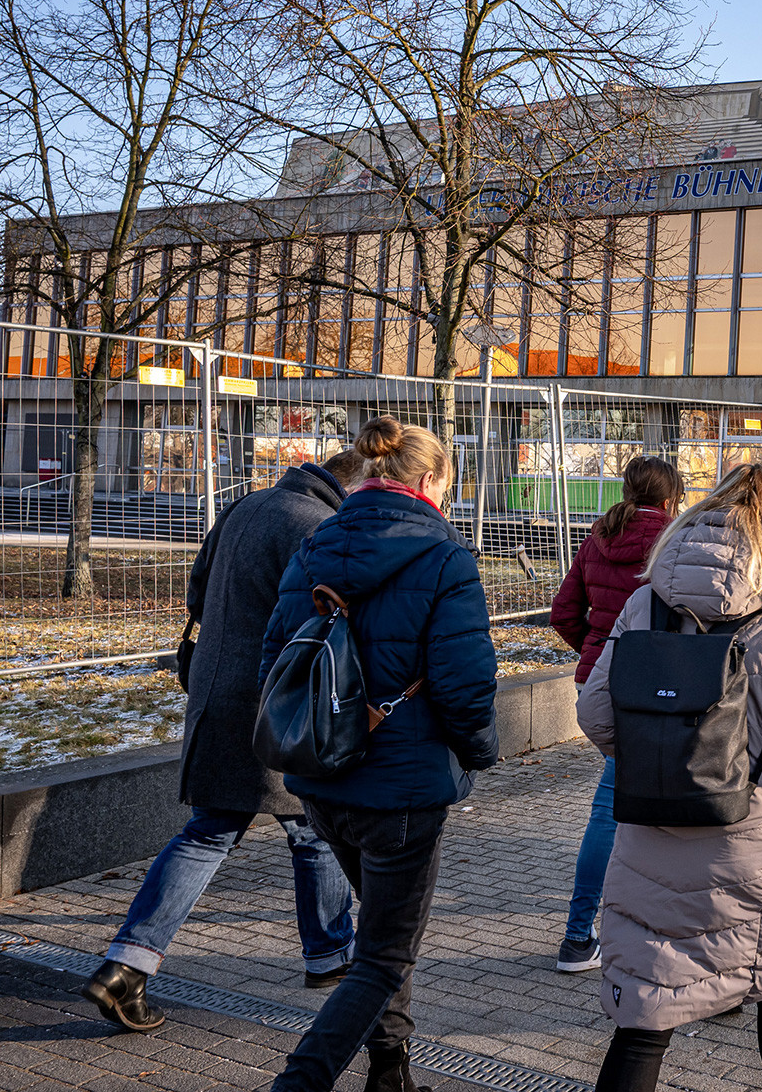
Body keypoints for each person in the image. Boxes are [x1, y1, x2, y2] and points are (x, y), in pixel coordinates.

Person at [575, 463, 762, 1092]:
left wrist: (654, 762)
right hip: (752, 837)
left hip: (649, 832)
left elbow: (594, 712)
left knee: (646, 1011)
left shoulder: (647, 601)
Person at [82, 453, 364, 1034]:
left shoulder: (245, 506)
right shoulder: (319, 525)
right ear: (353, 485)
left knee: (215, 832)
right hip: (278, 700)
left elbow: (197, 593)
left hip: (216, 690)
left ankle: (128, 965)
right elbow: (323, 621)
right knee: (309, 827)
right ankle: (330, 955)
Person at [261, 417, 499, 1092]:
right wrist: (479, 752)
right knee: (385, 958)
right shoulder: (445, 557)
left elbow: (274, 660)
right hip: (402, 791)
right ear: (427, 480)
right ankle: (299, 1082)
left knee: (383, 936)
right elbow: (465, 685)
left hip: (322, 778)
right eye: (446, 485)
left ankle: (390, 1071)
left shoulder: (313, 547)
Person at [546, 456, 683, 974]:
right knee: (650, 807)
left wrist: (598, 654)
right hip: (659, 684)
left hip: (601, 682)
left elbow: (564, 612)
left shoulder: (597, 536)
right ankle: (592, 934)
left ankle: (583, 934)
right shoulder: (673, 540)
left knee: (614, 805)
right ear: (670, 498)